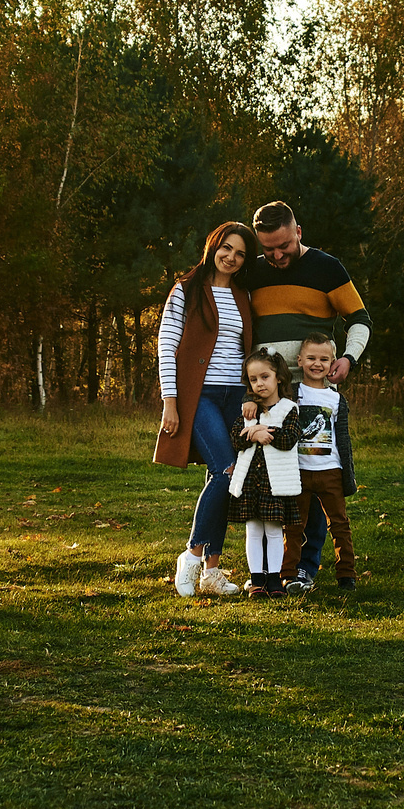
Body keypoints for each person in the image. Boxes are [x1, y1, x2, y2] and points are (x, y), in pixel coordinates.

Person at [242, 202, 371, 589]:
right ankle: (274, 564)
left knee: (312, 478)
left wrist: (349, 357)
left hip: (314, 394)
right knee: (278, 483)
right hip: (270, 397)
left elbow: (359, 319)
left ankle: (304, 568)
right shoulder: (253, 271)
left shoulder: (326, 267)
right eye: (268, 249)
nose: (277, 256)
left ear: (298, 231)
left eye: (283, 245)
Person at [156, 221, 260, 598]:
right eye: (227, 248)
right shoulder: (186, 290)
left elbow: (248, 350)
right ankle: (192, 554)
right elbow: (167, 346)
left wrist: (252, 393)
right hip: (198, 395)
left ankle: (212, 572)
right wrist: (171, 401)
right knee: (227, 470)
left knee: (226, 477)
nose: (231, 258)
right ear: (214, 246)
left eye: (241, 254)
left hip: (236, 396)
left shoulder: (244, 296)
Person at [228, 349, 307, 597]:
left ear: (278, 378)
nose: (259, 383)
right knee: (253, 531)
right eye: (253, 379)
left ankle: (274, 580)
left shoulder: (288, 409)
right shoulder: (248, 410)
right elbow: (236, 440)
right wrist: (253, 432)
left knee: (273, 531)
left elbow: (288, 440)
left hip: (276, 484)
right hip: (251, 482)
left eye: (265, 377)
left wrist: (261, 431)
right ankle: (256, 580)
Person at [291, 334, 358, 590]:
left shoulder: (337, 400)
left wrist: (346, 474)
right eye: (311, 358)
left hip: (331, 471)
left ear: (332, 363)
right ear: (300, 361)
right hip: (300, 471)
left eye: (323, 359)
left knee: (339, 523)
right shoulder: (292, 394)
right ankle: (290, 573)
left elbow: (344, 439)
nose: (317, 364)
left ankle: (346, 574)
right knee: (296, 524)